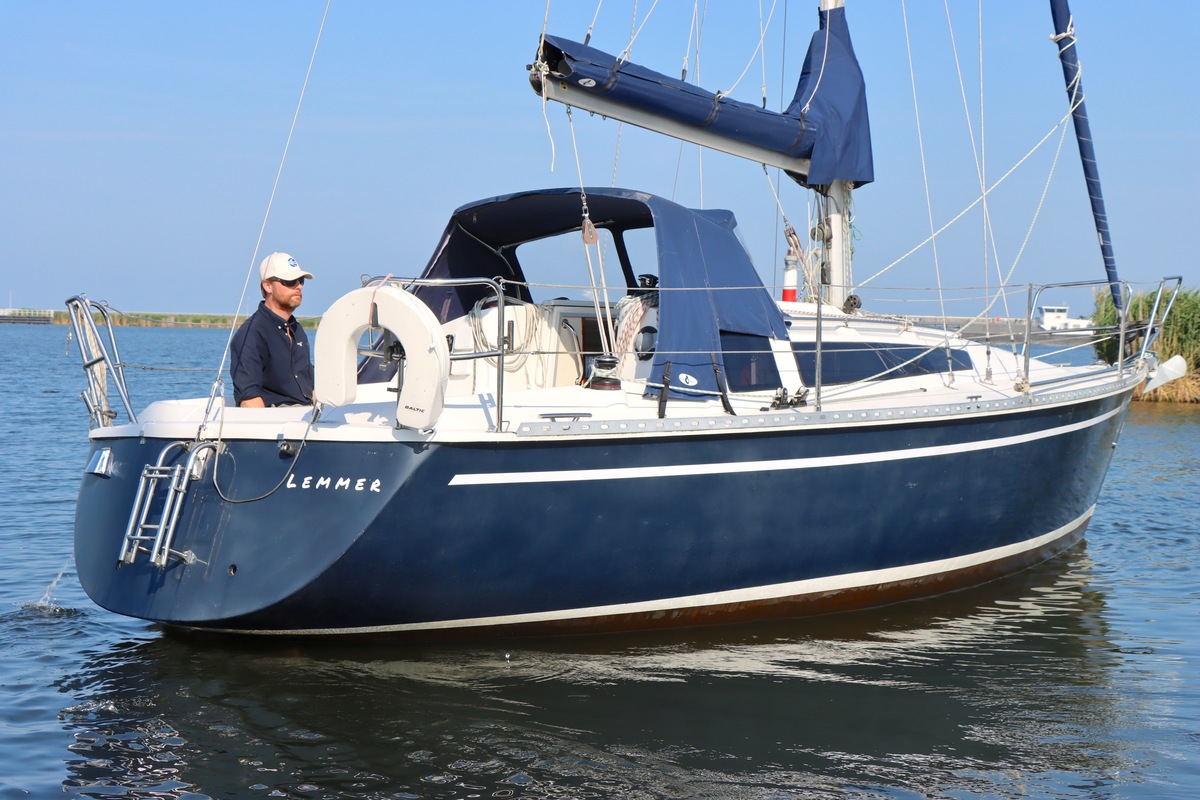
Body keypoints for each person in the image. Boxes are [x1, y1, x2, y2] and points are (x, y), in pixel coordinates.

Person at [230, 252, 315, 407]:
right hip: (276, 418)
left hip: (306, 415)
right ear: (267, 286)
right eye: (290, 281)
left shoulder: (296, 329)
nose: (299, 286)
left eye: (301, 280)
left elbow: (311, 387)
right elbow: (249, 401)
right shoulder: (251, 334)